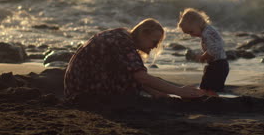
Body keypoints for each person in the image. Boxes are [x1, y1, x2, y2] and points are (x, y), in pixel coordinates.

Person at [64, 18, 204, 103]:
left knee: (138, 78)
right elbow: (141, 77)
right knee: (140, 79)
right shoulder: (124, 43)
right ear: (143, 33)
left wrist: (155, 91)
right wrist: (179, 91)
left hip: (78, 84)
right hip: (82, 91)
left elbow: (129, 73)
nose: (155, 46)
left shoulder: (123, 36)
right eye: (154, 41)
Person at [177, 8, 229, 92]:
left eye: (191, 31)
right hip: (220, 64)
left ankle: (211, 101)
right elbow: (216, 46)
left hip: (218, 66)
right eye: (188, 33)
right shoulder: (209, 30)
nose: (191, 35)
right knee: (212, 87)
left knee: (208, 88)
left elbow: (213, 50)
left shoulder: (206, 34)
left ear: (199, 23)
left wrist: (203, 57)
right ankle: (212, 98)